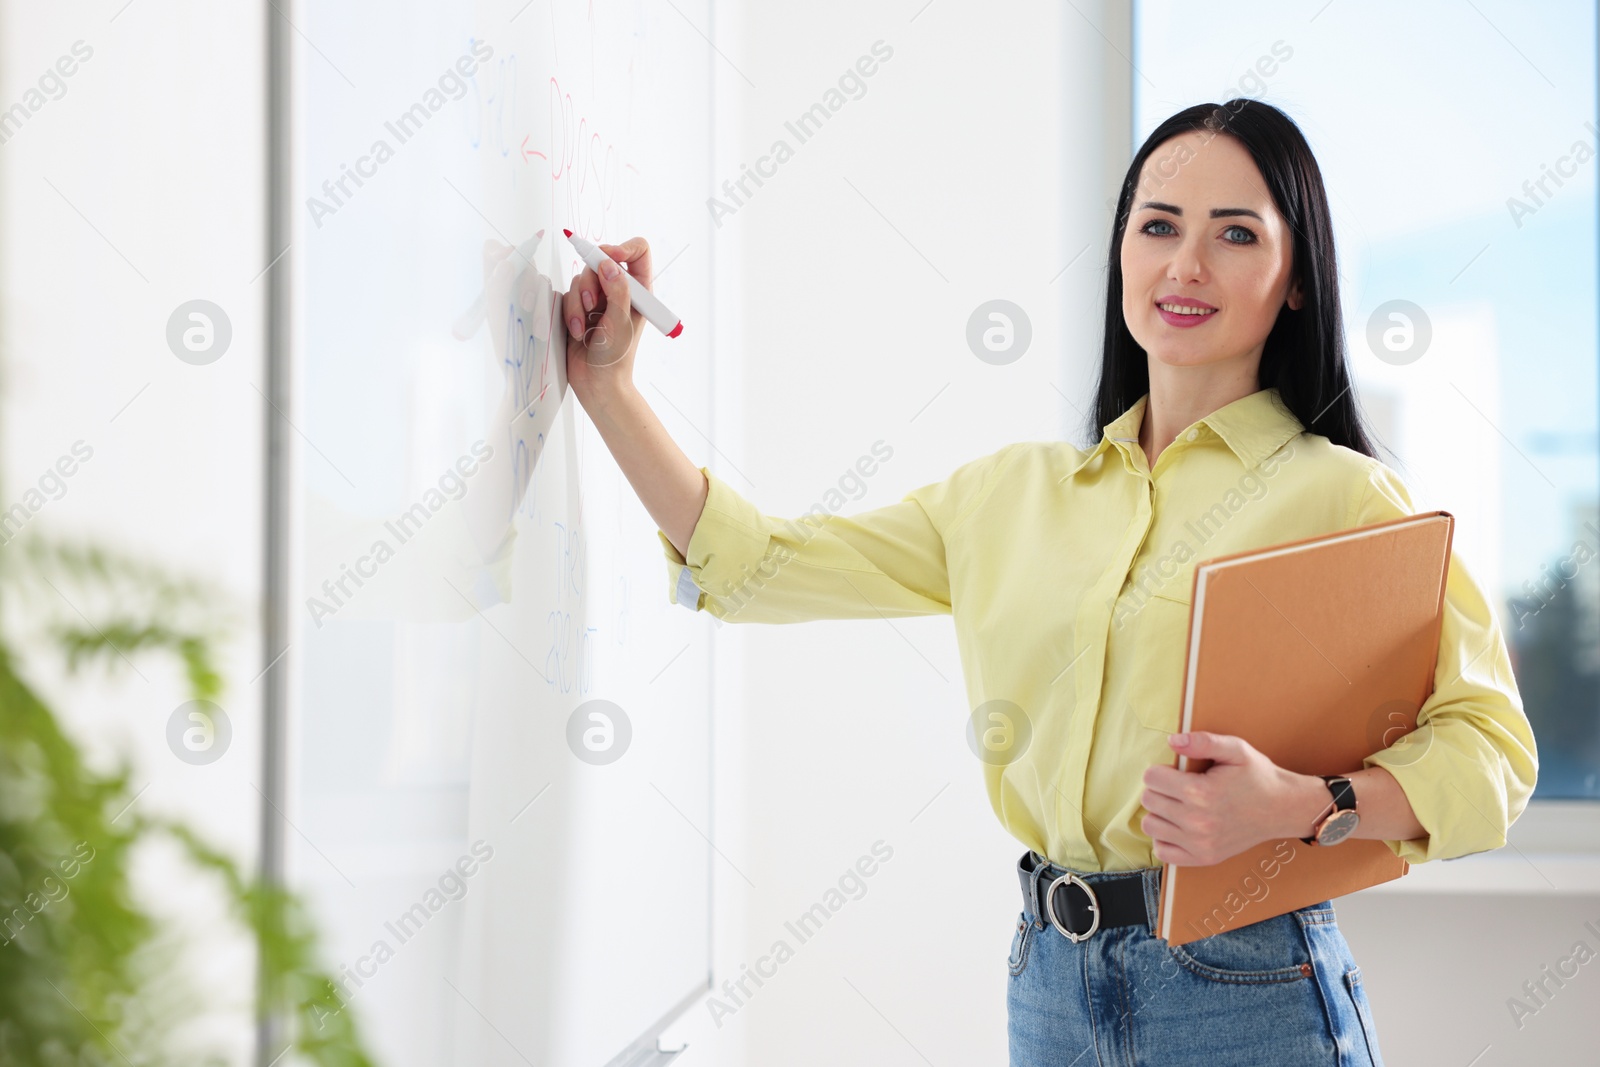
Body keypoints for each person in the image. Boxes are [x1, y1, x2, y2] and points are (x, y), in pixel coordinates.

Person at [558, 98, 1538, 1066]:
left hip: (1248, 990)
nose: (1185, 264)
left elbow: (1491, 757)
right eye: (1158, 226)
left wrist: (1297, 802)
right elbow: (754, 566)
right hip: (1050, 981)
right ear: (1120, 254)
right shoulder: (1011, 495)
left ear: (1293, 278)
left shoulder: (1348, 497)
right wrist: (609, 389)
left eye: (1235, 233)